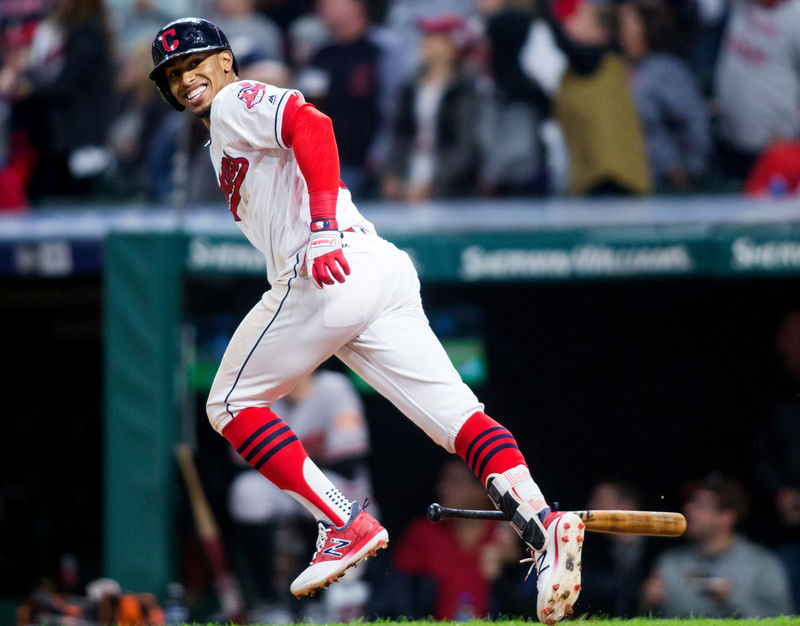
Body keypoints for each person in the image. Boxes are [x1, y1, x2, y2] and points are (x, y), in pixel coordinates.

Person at [148, 17, 585, 625]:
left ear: (226, 61)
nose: (185, 78)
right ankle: (546, 526)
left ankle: (343, 520)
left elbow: (312, 123)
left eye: (194, 63)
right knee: (460, 421)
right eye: (172, 74)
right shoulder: (219, 127)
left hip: (327, 265)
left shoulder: (233, 103)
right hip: (379, 270)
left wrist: (323, 228)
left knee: (227, 405)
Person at [640, 473, 794, 618]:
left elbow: (784, 619)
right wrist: (649, 606)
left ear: (727, 516)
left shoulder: (761, 564)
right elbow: (650, 618)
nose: (688, 509)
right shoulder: (670, 563)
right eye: (690, 502)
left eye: (700, 505)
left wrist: (732, 599)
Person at [391, 458, 522, 620]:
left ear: (481, 488)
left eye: (454, 481)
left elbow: (528, 607)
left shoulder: (506, 532)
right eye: (444, 480)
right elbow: (400, 599)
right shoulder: (423, 533)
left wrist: (508, 572)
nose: (443, 488)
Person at [544, 0, 652, 196]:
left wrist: (545, 11)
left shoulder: (599, 59)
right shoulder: (575, 71)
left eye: (579, 20)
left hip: (613, 179)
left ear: (600, 33)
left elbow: (566, 44)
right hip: (592, 177)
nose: (569, 23)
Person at [381, 13, 481, 202]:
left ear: (452, 46)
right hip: (410, 174)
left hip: (450, 186)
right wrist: (392, 173)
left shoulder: (466, 90)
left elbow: (464, 146)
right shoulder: (411, 86)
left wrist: (434, 184)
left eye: (435, 37)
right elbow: (400, 134)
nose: (426, 42)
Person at [617, 0, 711, 192]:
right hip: (633, 180)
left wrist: (688, 170)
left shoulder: (667, 70)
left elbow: (695, 122)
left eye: (625, 24)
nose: (619, 31)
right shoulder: (620, 68)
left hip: (667, 180)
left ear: (646, 27)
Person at [712, 0, 800, 183]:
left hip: (773, 155)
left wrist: (792, 138)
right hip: (727, 143)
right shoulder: (743, 5)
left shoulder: (796, 15)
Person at [578, 480, 658, 617]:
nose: (590, 507)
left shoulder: (660, 549)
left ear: (627, 505)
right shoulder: (590, 551)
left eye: (600, 500)